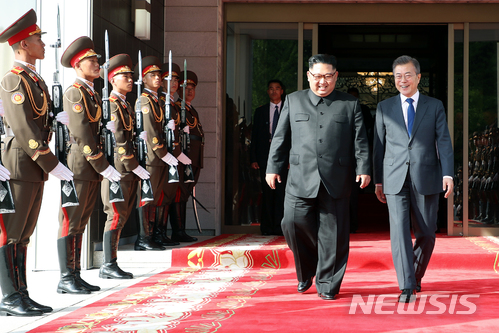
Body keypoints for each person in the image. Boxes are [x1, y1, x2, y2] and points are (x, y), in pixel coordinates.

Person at [266, 54, 371, 301]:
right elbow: (280, 138)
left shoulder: (349, 104)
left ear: (335, 76)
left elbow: (361, 141)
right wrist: (273, 167)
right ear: (308, 76)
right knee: (291, 223)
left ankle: (328, 284)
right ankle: (306, 271)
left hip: (337, 178)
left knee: (333, 235)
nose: (321, 82)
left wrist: (363, 168)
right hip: (300, 177)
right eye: (317, 76)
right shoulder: (294, 100)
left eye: (327, 76)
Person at [0, 9, 73, 316]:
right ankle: (9, 296)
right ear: (23, 45)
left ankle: (22, 292)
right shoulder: (13, 80)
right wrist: (51, 162)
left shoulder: (35, 78)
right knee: (13, 232)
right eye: (37, 39)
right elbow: (25, 130)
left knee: (25, 232)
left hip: (33, 167)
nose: (43, 44)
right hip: (21, 163)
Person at [373, 55, 454, 303]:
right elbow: (378, 145)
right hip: (394, 177)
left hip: (427, 175)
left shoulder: (434, 105)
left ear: (418, 77)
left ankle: (415, 274)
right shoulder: (384, 107)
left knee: (428, 233)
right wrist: (378, 180)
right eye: (398, 76)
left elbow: (444, 140)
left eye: (408, 75)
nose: (403, 80)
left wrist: (448, 173)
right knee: (398, 232)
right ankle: (406, 285)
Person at [57, 36, 122, 294]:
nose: (97, 64)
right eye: (90, 61)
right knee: (71, 220)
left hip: (90, 167)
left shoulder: (91, 93)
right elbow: (82, 132)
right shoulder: (75, 92)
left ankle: (75, 273)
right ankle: (66, 277)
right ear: (77, 65)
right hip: (80, 165)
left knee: (81, 221)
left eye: (97, 60)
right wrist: (101, 163)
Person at [99, 54, 150, 279]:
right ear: (112, 79)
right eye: (124, 76)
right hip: (118, 170)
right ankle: (108, 264)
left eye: (131, 75)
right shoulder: (112, 105)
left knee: (123, 215)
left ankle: (112, 262)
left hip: (127, 171)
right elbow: (119, 140)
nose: (130, 79)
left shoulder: (125, 105)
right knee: (116, 215)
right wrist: (133, 165)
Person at [134, 56, 178, 251]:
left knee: (157, 196)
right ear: (144, 79)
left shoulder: (157, 100)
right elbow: (151, 131)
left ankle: (152, 235)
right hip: (152, 158)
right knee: (147, 197)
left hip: (159, 158)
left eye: (159, 75)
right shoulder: (144, 100)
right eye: (152, 75)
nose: (158, 78)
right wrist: (163, 152)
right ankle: (143, 237)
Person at [154, 62, 192, 246]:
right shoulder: (160, 101)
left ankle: (162, 233)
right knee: (160, 196)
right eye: (170, 79)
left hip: (173, 155)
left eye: (176, 79)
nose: (175, 83)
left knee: (168, 195)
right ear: (161, 82)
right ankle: (156, 233)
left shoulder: (172, 103)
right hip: (163, 155)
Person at [250, 80, 287, 235]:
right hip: (265, 156)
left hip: (284, 157)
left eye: (277, 88)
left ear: (282, 91)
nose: (274, 91)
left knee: (281, 193)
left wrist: (291, 158)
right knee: (267, 192)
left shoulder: (288, 109)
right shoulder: (261, 111)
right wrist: (253, 158)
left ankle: (280, 227)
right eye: (271, 88)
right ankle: (267, 227)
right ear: (267, 91)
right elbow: (255, 137)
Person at [171, 70, 203, 242]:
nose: (189, 91)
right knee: (179, 193)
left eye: (192, 88)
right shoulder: (177, 108)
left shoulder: (191, 110)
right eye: (185, 88)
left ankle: (181, 229)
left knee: (185, 193)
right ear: (178, 90)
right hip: (183, 156)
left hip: (193, 157)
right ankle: (178, 230)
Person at [347, 87, 374, 233]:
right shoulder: (341, 107)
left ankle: (353, 224)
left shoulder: (363, 110)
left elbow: (368, 128)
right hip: (342, 157)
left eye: (354, 97)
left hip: (358, 153)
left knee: (354, 194)